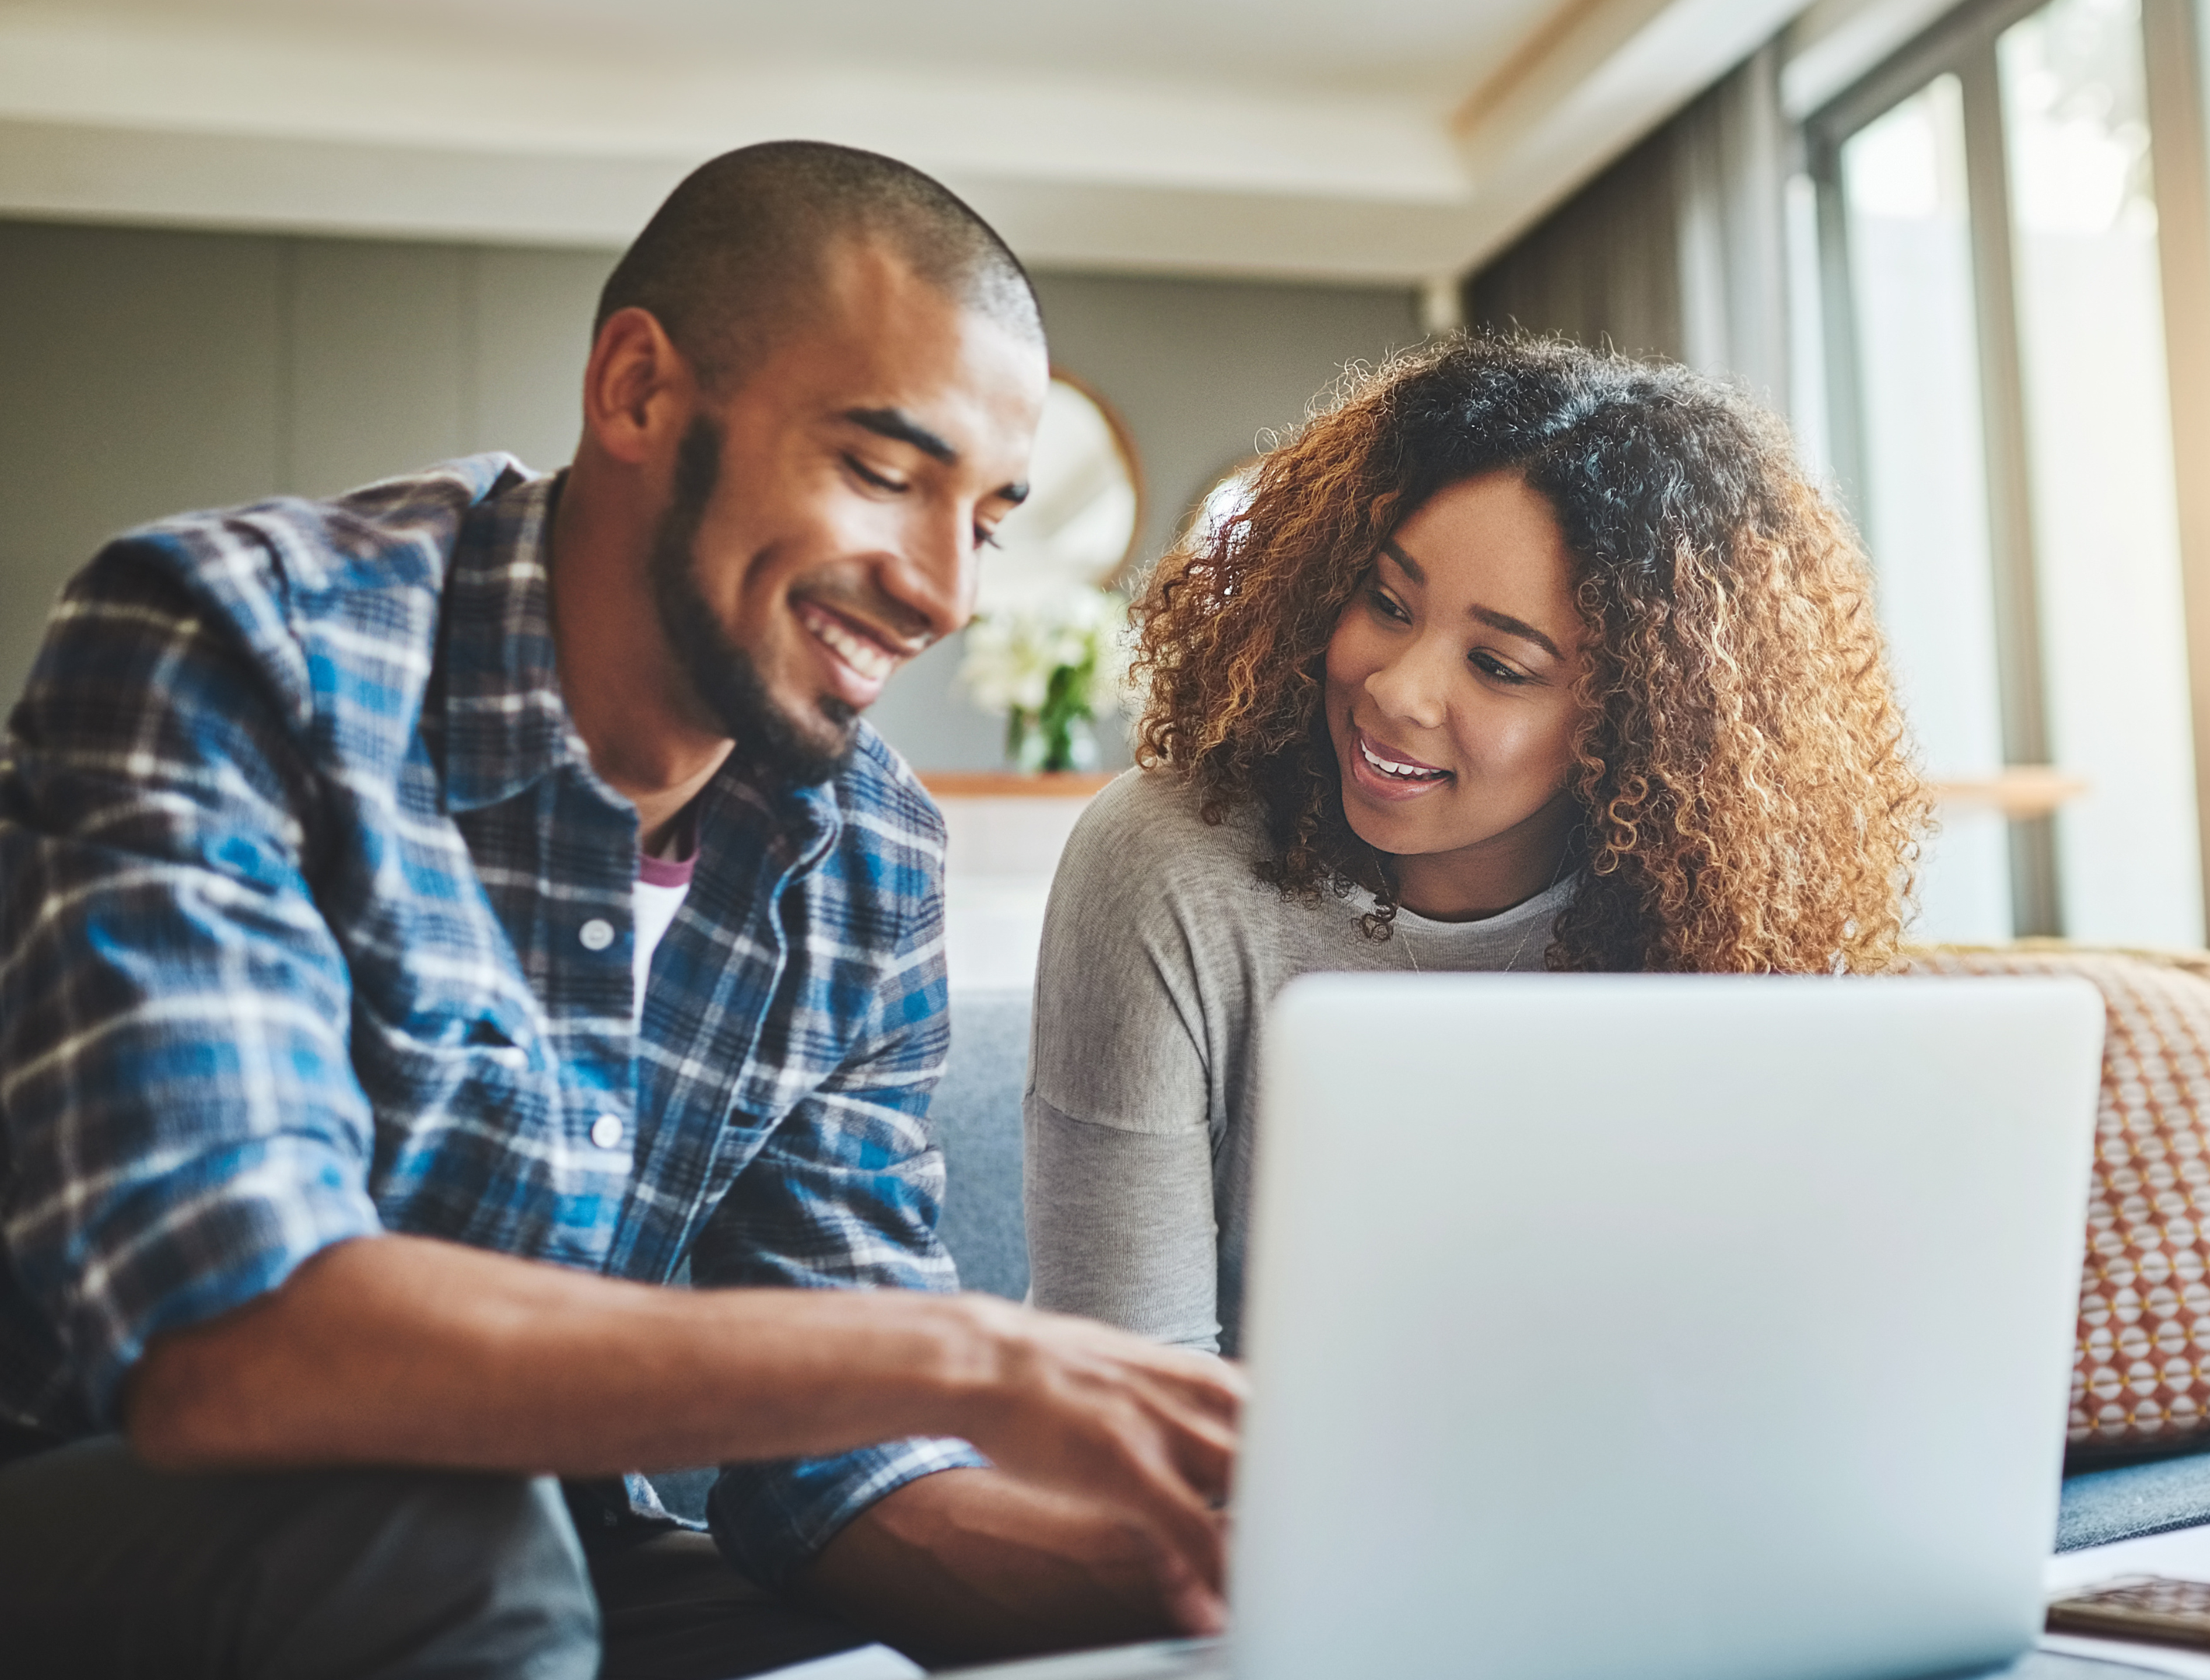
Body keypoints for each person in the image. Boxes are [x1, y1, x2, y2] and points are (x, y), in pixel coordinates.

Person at [0, 141, 1242, 1678]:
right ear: (638, 392)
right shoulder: (239, 648)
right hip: (108, 1515)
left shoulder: (865, 861)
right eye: (879, 472)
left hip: (535, 1550)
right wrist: (971, 1353)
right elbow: (224, 1346)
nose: (942, 594)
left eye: (983, 519)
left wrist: (1217, 1576)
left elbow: (841, 1479)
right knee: (450, 1541)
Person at [1024, 335, 1932, 1356]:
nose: (1398, 690)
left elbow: (1779, 1337)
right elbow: (1121, 1385)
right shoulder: (1166, 863)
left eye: (1499, 666)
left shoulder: (1733, 915)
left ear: (1634, 720)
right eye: (1387, 603)